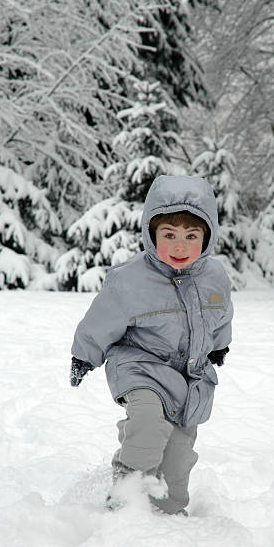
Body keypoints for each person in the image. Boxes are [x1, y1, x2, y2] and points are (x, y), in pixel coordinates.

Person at [70, 174, 233, 515]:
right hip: (139, 366)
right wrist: (84, 357)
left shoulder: (215, 276)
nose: (179, 246)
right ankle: (124, 498)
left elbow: (221, 313)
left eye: (191, 236)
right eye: (169, 235)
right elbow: (100, 320)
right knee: (147, 422)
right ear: (150, 233)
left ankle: (167, 511)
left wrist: (219, 345)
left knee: (178, 461)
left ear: (207, 237)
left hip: (190, 378)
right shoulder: (129, 279)